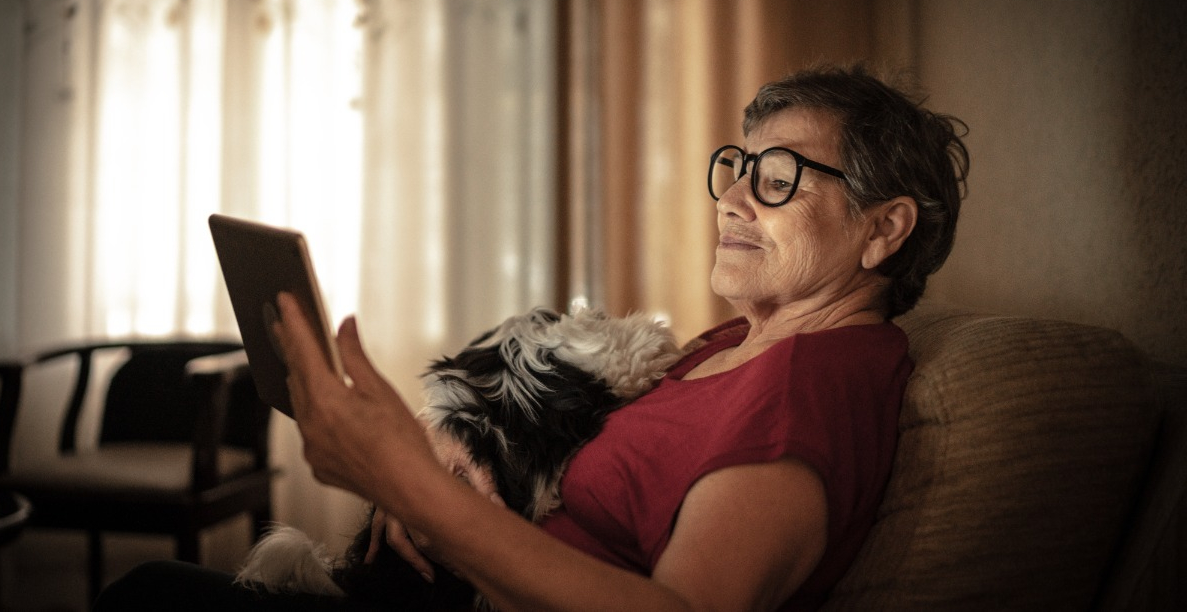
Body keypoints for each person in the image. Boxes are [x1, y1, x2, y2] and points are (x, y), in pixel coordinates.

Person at [94, 64, 969, 611]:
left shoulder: (812, 386)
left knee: (150, 596)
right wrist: (450, 452)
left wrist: (412, 487)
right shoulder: (730, 346)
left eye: (776, 178)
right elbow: (558, 441)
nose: (732, 197)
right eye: (736, 167)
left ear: (883, 229)